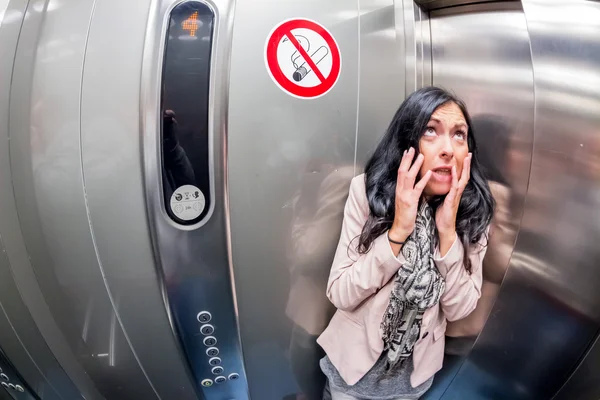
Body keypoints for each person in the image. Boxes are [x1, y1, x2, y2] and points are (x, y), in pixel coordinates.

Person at [316, 87, 495, 400]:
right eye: (431, 131)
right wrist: (398, 231)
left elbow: (459, 308)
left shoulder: (474, 211)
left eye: (458, 134)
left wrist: (447, 233)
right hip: (351, 376)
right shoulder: (368, 192)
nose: (448, 149)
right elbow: (340, 292)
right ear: (407, 141)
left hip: (412, 384)